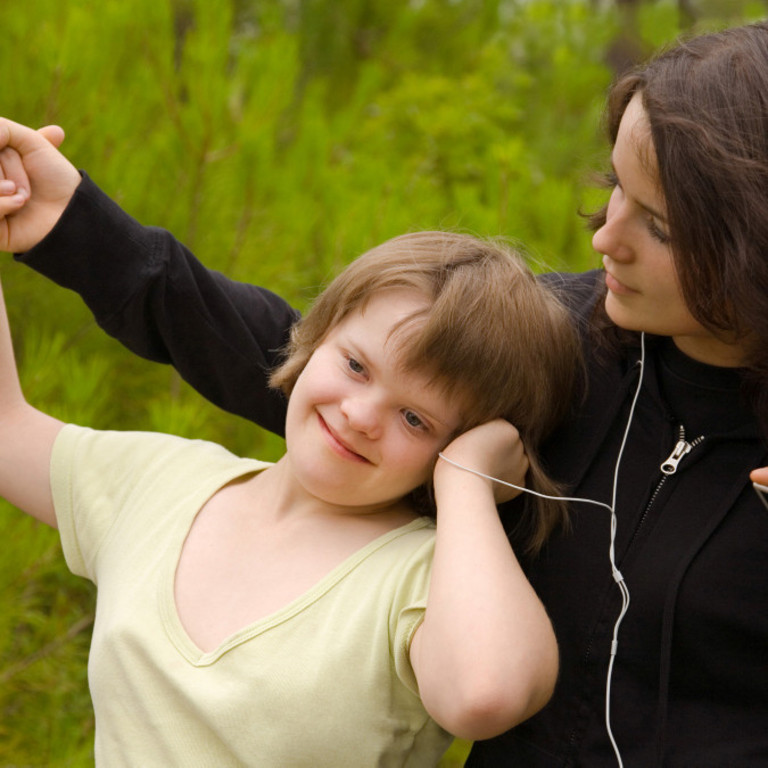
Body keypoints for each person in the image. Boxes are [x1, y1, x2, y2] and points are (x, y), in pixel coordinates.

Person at [2, 19, 768, 768]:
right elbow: (309, 364)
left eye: (660, 228)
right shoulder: (565, 343)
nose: (606, 236)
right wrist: (70, 225)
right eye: (615, 188)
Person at [0, 220, 581, 765]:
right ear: (314, 335)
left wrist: (468, 481)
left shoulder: (422, 578)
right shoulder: (163, 481)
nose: (359, 416)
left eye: (415, 419)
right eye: (356, 365)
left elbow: (484, 694)